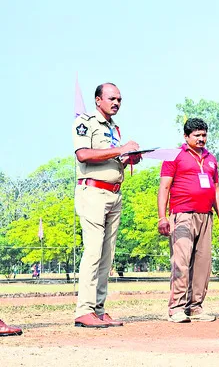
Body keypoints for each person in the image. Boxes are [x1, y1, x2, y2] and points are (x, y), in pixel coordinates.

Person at [72, 82, 141, 328]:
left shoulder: (113, 128)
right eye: (112, 98)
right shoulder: (85, 122)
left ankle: (99, 309)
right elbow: (83, 154)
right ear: (98, 100)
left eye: (120, 99)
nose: (116, 103)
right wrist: (120, 149)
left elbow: (111, 158)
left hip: (114, 193)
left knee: (106, 255)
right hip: (93, 192)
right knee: (92, 251)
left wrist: (128, 157)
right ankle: (84, 309)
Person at [158, 118, 219, 323]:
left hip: (206, 215)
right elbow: (164, 188)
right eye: (196, 135)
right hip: (182, 215)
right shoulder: (174, 156)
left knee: (202, 264)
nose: (201, 139)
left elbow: (216, 190)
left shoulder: (211, 159)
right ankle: (176, 308)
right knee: (181, 261)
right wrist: (162, 217)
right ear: (186, 136)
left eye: (204, 135)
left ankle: (195, 307)